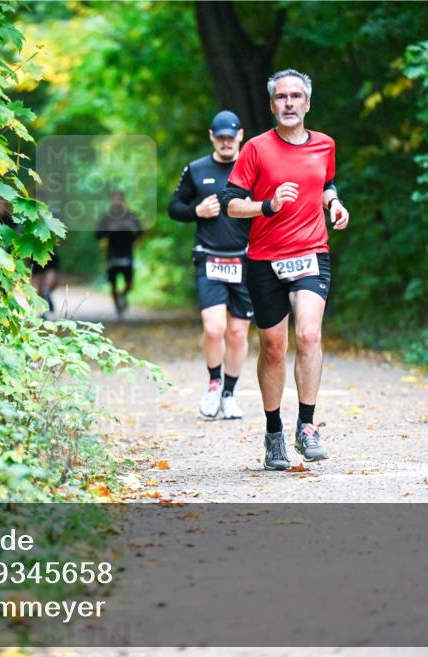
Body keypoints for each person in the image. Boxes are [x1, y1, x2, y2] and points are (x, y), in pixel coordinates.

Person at [221, 69, 350, 470]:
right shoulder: (256, 149)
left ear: (307, 103)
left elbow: (326, 182)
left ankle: (307, 426)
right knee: (274, 349)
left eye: (296, 96)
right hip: (264, 259)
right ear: (273, 104)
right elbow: (230, 203)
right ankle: (274, 433)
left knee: (309, 334)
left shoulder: (325, 145)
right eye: (282, 97)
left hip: (312, 252)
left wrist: (334, 203)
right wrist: (268, 205)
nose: (289, 103)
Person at [168, 110, 253, 420]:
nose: (226, 142)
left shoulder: (252, 168)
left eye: (231, 137)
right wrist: (196, 210)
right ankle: (214, 383)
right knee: (214, 329)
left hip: (245, 260)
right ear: (212, 137)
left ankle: (230, 394)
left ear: (240, 135)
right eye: (221, 138)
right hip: (209, 257)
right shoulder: (197, 169)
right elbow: (174, 208)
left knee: (238, 334)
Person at [96, 191, 143, 317]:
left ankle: (123, 295)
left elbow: (140, 232)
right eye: (114, 199)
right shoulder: (106, 218)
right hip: (111, 253)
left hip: (127, 252)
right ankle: (118, 306)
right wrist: (107, 232)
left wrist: (133, 239)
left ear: (123, 201)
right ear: (110, 201)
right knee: (113, 283)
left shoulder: (131, 216)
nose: (116, 202)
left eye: (119, 199)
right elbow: (97, 235)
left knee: (129, 282)